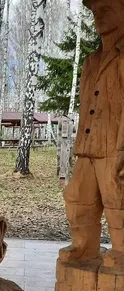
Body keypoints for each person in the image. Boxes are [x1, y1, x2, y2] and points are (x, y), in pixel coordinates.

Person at [61, 0, 124, 267]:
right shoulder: (90, 62)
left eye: (106, 9)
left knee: (117, 198)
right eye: (95, 11)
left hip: (114, 144)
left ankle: (121, 251)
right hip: (88, 146)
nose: (98, 16)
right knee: (78, 197)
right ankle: (84, 247)